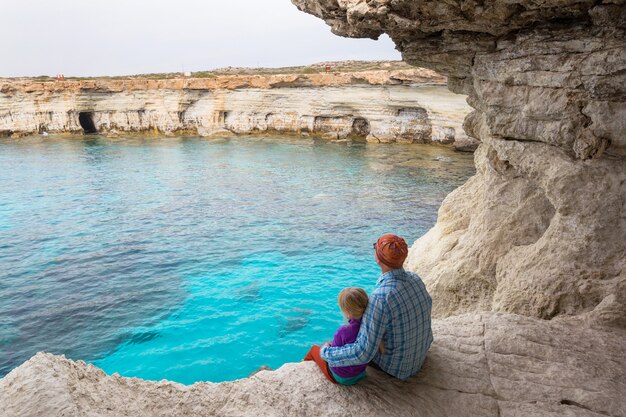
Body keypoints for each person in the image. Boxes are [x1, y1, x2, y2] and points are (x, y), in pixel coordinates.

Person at [320, 234, 433, 381]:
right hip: (419, 355)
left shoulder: (381, 297)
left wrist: (326, 353)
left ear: (378, 258)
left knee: (339, 343)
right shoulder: (415, 279)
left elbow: (363, 352)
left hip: (397, 368)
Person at [303, 287, 369, 385]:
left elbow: (331, 357)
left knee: (314, 349)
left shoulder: (343, 331)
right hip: (360, 373)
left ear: (347, 313)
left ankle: (303, 367)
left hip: (341, 378)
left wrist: (326, 346)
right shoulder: (368, 328)